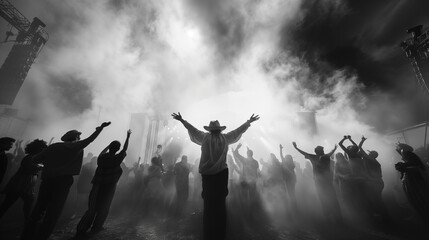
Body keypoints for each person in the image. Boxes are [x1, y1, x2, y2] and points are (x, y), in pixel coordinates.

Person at [172, 112, 259, 240]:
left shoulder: (204, 137)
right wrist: (248, 122)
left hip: (207, 175)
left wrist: (182, 120)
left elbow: (192, 129)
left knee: (208, 204)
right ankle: (220, 233)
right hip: (221, 174)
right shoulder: (225, 138)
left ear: (210, 130)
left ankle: (208, 233)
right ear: (219, 130)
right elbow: (237, 131)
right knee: (220, 204)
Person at [20, 122, 111, 240]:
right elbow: (90, 139)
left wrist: (47, 166)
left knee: (39, 207)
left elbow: (35, 160)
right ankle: (43, 235)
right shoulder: (76, 146)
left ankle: (27, 234)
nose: (80, 139)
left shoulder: (53, 147)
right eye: (79, 137)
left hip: (47, 180)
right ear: (76, 138)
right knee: (53, 211)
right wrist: (100, 129)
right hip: (63, 181)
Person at [75, 129, 131, 236]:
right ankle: (97, 226)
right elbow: (124, 149)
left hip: (98, 185)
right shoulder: (117, 159)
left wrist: (108, 146)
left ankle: (82, 227)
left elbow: (102, 152)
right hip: (109, 187)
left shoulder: (101, 158)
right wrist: (128, 137)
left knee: (92, 207)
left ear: (109, 148)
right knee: (104, 207)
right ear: (117, 149)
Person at [292, 141, 342, 222]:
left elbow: (304, 153)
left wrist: (296, 148)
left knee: (328, 197)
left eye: (322, 149)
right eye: (321, 150)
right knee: (327, 197)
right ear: (318, 151)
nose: (323, 150)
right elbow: (304, 153)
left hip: (324, 181)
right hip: (321, 181)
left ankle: (333, 215)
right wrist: (296, 148)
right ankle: (331, 215)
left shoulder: (321, 156)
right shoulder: (319, 156)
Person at [0, 139, 47, 220]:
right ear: (38, 148)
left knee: (21, 203)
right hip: (21, 182)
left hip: (26, 183)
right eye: (42, 149)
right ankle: (28, 223)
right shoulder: (29, 157)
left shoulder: (34, 157)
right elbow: (28, 169)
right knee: (10, 203)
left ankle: (27, 222)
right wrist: (40, 167)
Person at [395, 143, 429, 223]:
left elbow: (415, 167)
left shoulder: (408, 154)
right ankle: (422, 215)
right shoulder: (408, 155)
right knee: (416, 198)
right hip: (413, 180)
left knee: (418, 198)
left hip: (415, 181)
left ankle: (425, 216)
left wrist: (402, 167)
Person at [279, 144, 298, 214]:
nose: (285, 158)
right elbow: (282, 157)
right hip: (291, 180)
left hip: (289, 180)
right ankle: (294, 209)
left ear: (288, 158)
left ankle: (293, 209)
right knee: (292, 194)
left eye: (286, 157)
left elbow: (281, 157)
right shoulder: (291, 164)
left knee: (290, 195)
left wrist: (280, 149)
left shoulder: (288, 164)